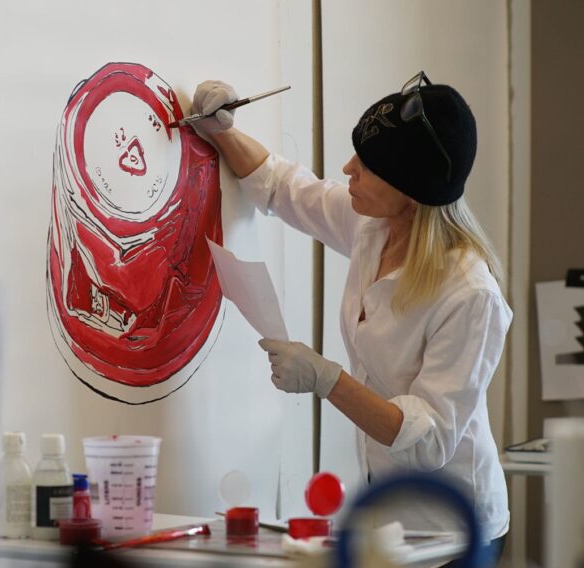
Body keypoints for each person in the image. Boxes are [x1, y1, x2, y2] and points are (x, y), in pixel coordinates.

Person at [191, 72, 510, 563]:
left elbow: (430, 442)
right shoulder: (374, 225)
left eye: (367, 165)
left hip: (453, 530)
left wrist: (326, 379)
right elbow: (282, 188)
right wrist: (221, 130)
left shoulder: (470, 294)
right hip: (385, 517)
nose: (348, 168)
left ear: (410, 192)